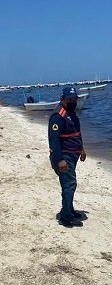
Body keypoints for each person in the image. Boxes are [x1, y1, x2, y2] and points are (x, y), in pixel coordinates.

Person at [48, 87, 87, 228]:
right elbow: (54, 141)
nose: (73, 102)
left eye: (75, 99)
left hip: (73, 155)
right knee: (69, 185)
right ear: (62, 99)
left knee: (69, 185)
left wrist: (81, 149)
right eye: (70, 99)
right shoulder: (58, 115)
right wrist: (60, 160)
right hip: (64, 157)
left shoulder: (71, 113)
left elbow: (76, 132)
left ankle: (68, 209)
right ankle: (66, 218)